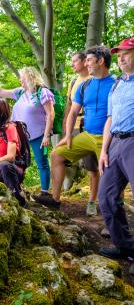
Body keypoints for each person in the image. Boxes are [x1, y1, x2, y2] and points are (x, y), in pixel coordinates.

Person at [35, 45, 116, 210]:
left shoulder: (117, 83)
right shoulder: (84, 86)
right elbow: (72, 112)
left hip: (109, 138)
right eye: (85, 60)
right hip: (87, 135)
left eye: (89, 60)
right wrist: (68, 136)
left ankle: (111, 214)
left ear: (100, 61)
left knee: (111, 173)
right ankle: (55, 200)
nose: (86, 64)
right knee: (57, 154)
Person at [0, 67, 55, 198]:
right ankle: (15, 186)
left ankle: (45, 193)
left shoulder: (42, 92)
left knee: (42, 162)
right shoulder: (20, 92)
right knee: (14, 162)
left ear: (29, 77)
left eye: (21, 77)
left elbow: (50, 114)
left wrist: (46, 135)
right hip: (18, 135)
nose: (20, 79)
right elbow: (0, 91)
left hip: (38, 135)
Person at [97, 37, 134, 261]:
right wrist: (103, 151)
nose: (120, 58)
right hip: (115, 144)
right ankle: (126, 247)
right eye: (118, 55)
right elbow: (110, 119)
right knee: (106, 196)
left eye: (126, 54)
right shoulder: (117, 84)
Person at [63, 52, 99, 216]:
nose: (72, 64)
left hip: (89, 127)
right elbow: (69, 106)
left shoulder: (93, 80)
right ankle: (56, 198)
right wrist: (66, 130)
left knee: (92, 168)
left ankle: (92, 201)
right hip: (74, 126)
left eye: (75, 61)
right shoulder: (73, 81)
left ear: (85, 62)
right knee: (60, 158)